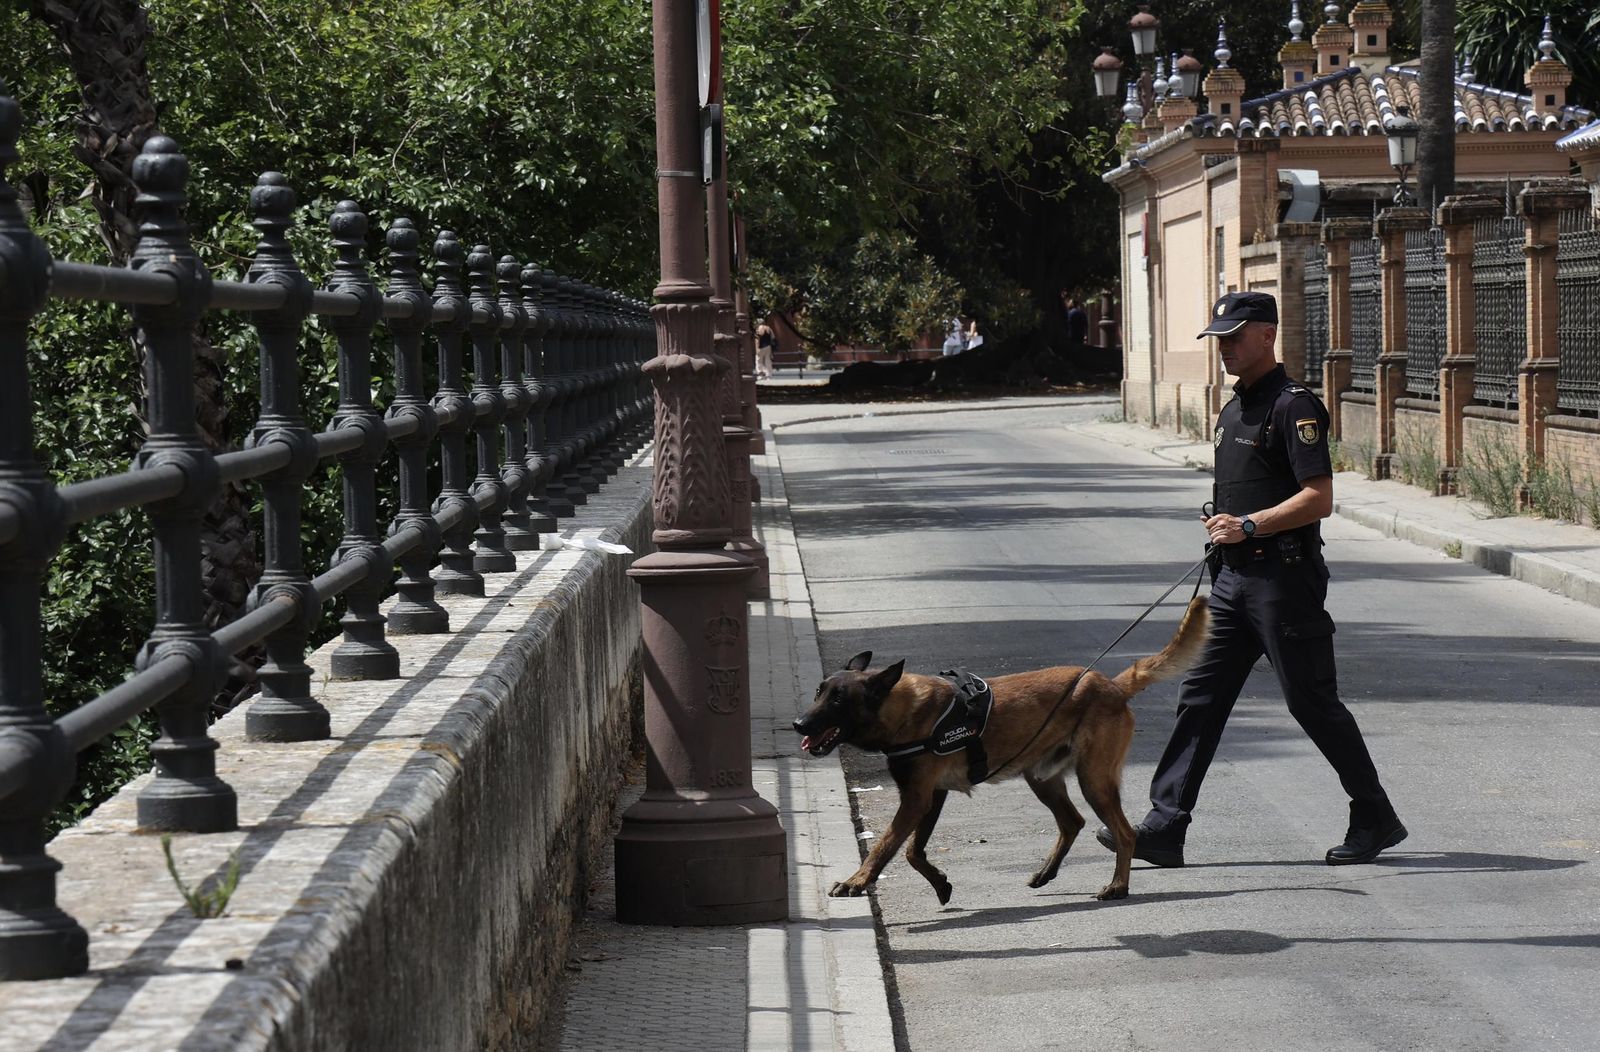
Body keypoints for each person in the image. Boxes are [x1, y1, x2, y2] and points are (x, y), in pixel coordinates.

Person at [1097, 290, 1405, 868]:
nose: (1225, 349)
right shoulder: (1232, 409)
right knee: (1200, 697)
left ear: (1267, 335)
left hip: (1283, 584)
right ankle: (1165, 826)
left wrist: (1248, 523)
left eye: (1235, 337)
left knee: (1312, 703)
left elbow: (1320, 498)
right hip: (1233, 584)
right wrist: (1223, 522)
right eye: (1219, 338)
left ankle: (1375, 815)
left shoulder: (1295, 407)